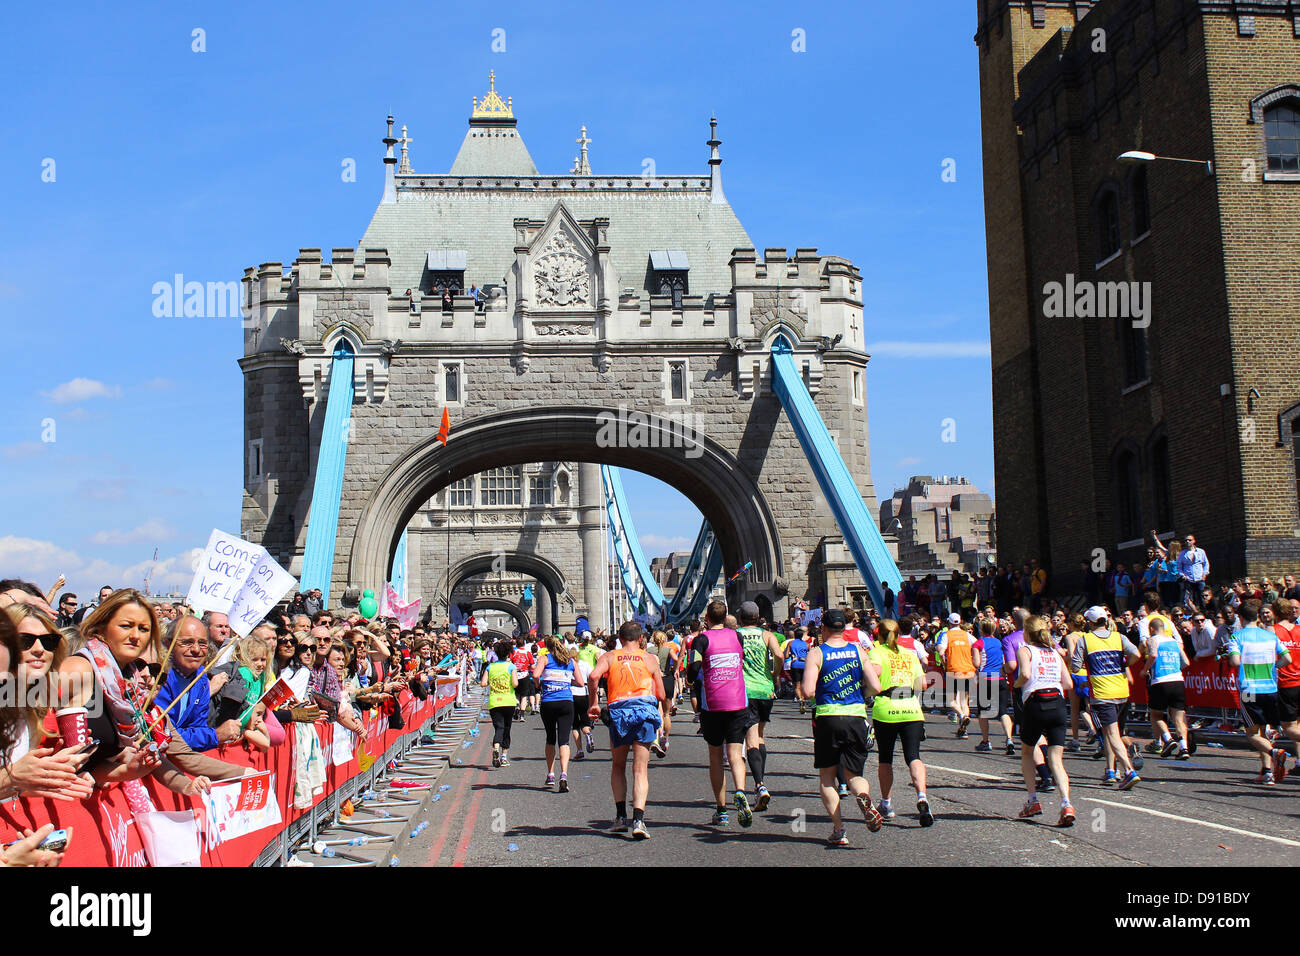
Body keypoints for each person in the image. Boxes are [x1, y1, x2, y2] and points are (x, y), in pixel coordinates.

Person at [801, 608, 884, 845]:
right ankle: (864, 796)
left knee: (828, 778)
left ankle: (839, 830)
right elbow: (876, 687)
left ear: (823, 629)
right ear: (843, 628)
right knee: (854, 774)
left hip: (828, 718)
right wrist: (859, 692)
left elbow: (807, 691)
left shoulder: (817, 653)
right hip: (856, 716)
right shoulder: (858, 650)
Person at [587, 622, 663, 840]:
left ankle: (621, 818)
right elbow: (661, 694)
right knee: (640, 769)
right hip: (644, 713)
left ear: (619, 639)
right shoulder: (650, 659)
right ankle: (639, 820)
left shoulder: (610, 656)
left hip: (619, 712)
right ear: (641, 639)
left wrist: (594, 703)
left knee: (618, 765)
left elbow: (593, 677)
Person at [686, 600, 754, 828]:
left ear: (707, 618)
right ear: (725, 618)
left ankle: (722, 810)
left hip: (712, 704)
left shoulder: (701, 640)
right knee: (735, 754)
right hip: (737, 702)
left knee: (716, 756)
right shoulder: (737, 637)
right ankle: (741, 792)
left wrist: (693, 679)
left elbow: (693, 668)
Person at [867, 618, 933, 826]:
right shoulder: (909, 655)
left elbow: (874, 675)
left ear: (880, 634)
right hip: (911, 709)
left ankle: (886, 803)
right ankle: (922, 796)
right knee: (913, 756)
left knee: (885, 758)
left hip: (886, 709)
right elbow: (922, 684)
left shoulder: (877, 652)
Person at [1013, 616, 1075, 826]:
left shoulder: (1026, 650)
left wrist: (1017, 684)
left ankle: (1033, 800)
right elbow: (1067, 683)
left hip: (1036, 702)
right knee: (1057, 758)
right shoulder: (1055, 653)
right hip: (1057, 702)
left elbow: (1025, 673)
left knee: (1028, 751)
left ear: (1027, 633)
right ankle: (1066, 803)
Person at [154, 615, 245, 752]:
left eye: (202, 643)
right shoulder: (159, 678)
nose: (196, 649)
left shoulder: (200, 678)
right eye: (187, 642)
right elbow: (165, 735)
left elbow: (198, 728)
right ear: (168, 644)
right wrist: (215, 735)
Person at [1227, 599, 1293, 784]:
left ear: (1240, 617)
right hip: (1270, 689)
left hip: (1250, 689)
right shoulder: (1271, 636)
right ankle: (1267, 772)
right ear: (1257, 617)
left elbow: (1235, 662)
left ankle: (1275, 753)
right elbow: (1287, 658)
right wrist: (1273, 667)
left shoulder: (1237, 637)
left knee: (1252, 734)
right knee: (1263, 732)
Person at [1077, 607, 1141, 789]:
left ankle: (1129, 771)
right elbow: (1136, 654)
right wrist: (1123, 665)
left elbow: (1075, 667)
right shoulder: (1119, 637)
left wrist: (1088, 667)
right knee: (1110, 732)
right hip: (1122, 692)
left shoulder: (1086, 640)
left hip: (1102, 693)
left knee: (1111, 734)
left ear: (1089, 623)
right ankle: (1111, 770)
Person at [736, 601, 784, 811]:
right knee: (760, 735)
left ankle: (759, 785)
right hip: (766, 690)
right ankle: (760, 781)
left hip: (745, 691)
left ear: (740, 618)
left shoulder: (735, 635)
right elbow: (780, 655)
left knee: (751, 739)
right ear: (758, 617)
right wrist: (775, 675)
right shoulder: (767, 635)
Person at [533, 636, 581, 791]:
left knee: (550, 738)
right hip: (566, 702)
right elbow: (580, 682)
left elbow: (535, 675)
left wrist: (540, 684)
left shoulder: (544, 658)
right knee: (564, 741)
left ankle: (551, 774)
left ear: (547, 646)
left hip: (548, 702)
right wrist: (567, 682)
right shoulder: (570, 661)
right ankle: (564, 774)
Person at [1141, 617, 1190, 760]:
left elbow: (1153, 654)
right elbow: (1186, 662)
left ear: (1151, 629)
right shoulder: (1175, 642)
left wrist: (1145, 670)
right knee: (1179, 719)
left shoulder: (1153, 640)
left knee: (1156, 714)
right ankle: (1184, 747)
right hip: (1178, 680)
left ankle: (1168, 739)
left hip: (1160, 681)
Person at [973, 618, 1013, 754]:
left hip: (986, 678)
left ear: (981, 629)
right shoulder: (1000, 642)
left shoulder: (978, 643)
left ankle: (986, 741)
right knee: (1003, 711)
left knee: (984, 712)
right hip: (1000, 678)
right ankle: (1009, 739)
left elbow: (977, 663)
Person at [481, 640, 519, 767]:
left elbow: (483, 683)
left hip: (494, 702)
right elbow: (515, 684)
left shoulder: (490, 667)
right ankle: (504, 757)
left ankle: (496, 748)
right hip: (509, 701)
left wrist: (492, 683)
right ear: (508, 653)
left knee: (499, 727)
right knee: (507, 729)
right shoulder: (511, 666)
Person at [938, 612, 975, 737]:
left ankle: (962, 715)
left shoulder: (946, 635)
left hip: (953, 670)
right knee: (964, 701)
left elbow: (941, 651)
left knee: (951, 700)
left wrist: (944, 664)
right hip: (968, 670)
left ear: (949, 622)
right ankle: (963, 730)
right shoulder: (967, 635)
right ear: (960, 622)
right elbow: (977, 646)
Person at [652, 630, 680, 757]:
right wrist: (675, 669)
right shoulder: (668, 650)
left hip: (654, 680)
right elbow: (676, 659)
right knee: (666, 713)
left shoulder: (649, 651)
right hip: (666, 679)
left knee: (655, 710)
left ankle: (656, 737)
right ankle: (666, 738)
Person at [787, 626, 811, 714]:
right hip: (804, 665)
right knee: (804, 684)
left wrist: (791, 655)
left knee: (797, 686)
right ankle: (804, 700)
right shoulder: (807, 644)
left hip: (795, 664)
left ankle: (801, 700)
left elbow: (786, 655)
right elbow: (811, 654)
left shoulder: (791, 643)